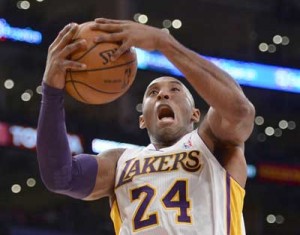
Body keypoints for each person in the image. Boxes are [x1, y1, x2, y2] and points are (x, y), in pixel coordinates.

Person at [37, 18, 255, 235]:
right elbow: (60, 177)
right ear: (143, 120)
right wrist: (51, 90)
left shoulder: (213, 145)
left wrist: (164, 43)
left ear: (195, 114)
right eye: (153, 93)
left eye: (175, 90)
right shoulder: (118, 162)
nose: (163, 94)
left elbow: (240, 111)